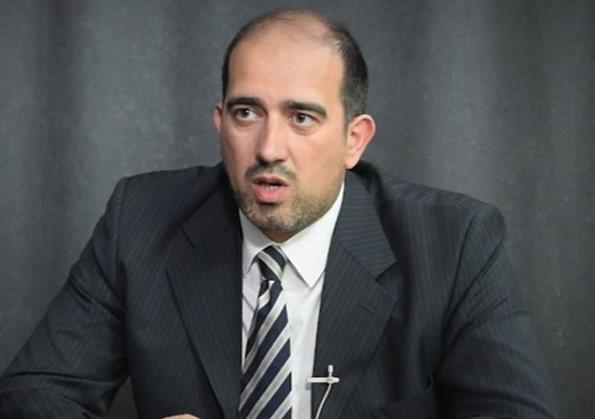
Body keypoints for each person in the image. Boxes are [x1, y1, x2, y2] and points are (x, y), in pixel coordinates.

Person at [0, 8, 557, 419]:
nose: (269, 148)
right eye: (247, 113)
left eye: (302, 118)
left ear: (354, 140)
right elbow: (33, 394)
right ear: (220, 122)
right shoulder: (140, 220)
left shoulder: (454, 242)